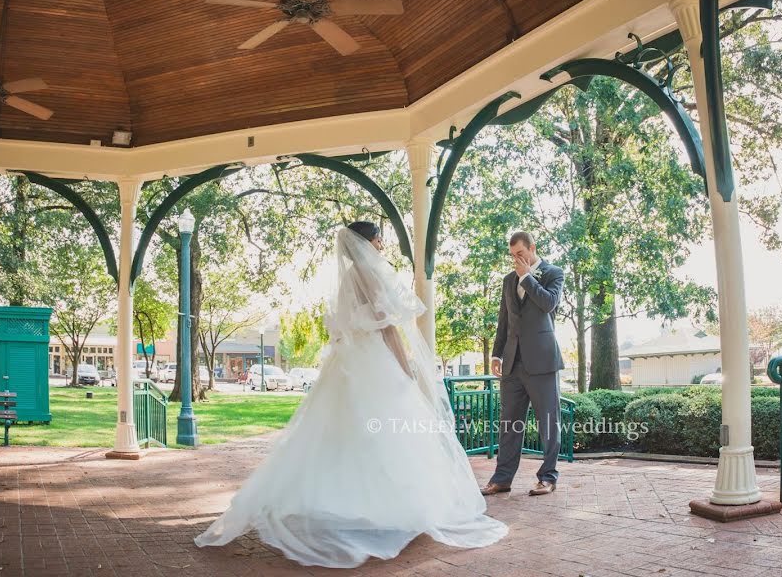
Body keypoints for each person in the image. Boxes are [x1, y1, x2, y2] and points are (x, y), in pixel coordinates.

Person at [195, 221, 507, 568]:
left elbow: (342, 331)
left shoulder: (345, 281)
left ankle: (344, 504)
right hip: (375, 362)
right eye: (378, 241)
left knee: (342, 436)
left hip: (348, 363)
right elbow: (389, 329)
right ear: (367, 243)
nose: (382, 248)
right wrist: (406, 367)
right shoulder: (372, 277)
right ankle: (386, 507)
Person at [481, 231, 565, 497]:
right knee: (509, 424)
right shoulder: (508, 281)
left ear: (532, 248)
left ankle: (548, 478)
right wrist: (496, 355)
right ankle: (502, 478)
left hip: (542, 362)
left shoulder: (553, 273)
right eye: (513, 255)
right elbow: (504, 321)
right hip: (512, 364)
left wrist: (527, 277)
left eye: (520, 254)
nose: (516, 259)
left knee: (548, 423)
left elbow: (548, 304)